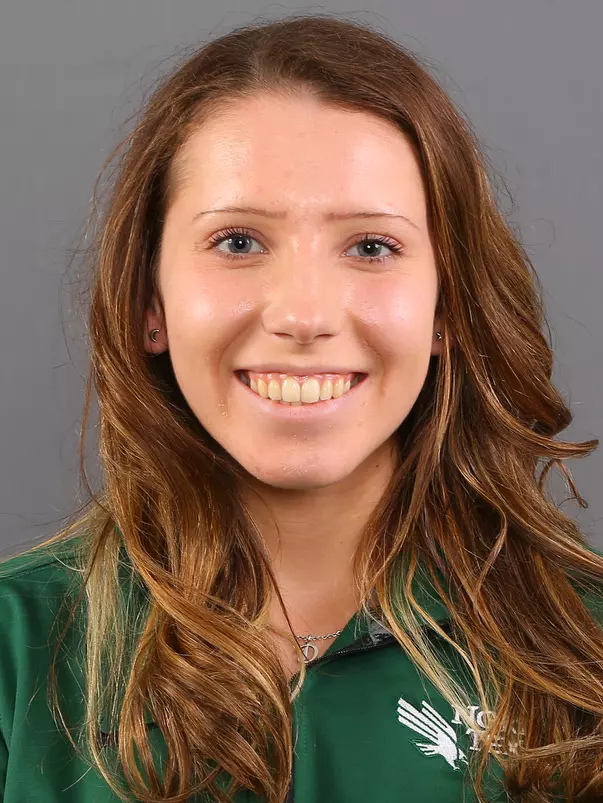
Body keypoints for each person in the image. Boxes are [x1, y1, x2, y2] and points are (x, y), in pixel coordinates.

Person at [0, 12, 602, 803]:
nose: (303, 313)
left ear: (445, 307)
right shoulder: (17, 646)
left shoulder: (584, 649)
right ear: (150, 298)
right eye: (238, 241)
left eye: (370, 246)